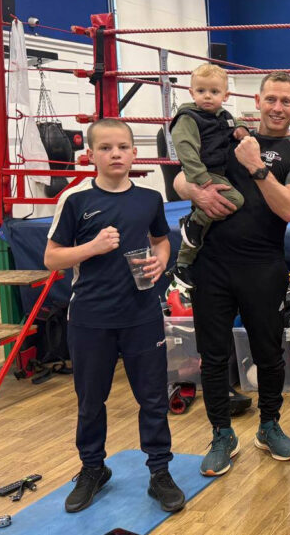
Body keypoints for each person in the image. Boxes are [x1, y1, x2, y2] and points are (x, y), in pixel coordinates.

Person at [173, 71, 290, 476]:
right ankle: (221, 433)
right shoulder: (225, 130)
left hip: (263, 265)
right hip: (212, 263)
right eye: (270, 99)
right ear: (257, 100)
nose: (277, 107)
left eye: (286, 101)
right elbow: (182, 175)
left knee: (269, 354)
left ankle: (269, 425)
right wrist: (196, 191)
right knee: (213, 355)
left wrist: (256, 167)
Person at [44, 118, 185, 514]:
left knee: (153, 398)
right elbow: (52, 258)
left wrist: (160, 263)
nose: (116, 153)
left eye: (122, 146)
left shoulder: (149, 198)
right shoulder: (74, 200)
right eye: (105, 148)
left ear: (134, 152)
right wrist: (92, 246)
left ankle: (159, 471)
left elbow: (161, 241)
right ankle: (92, 468)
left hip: (141, 313)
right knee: (91, 400)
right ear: (90, 155)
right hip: (90, 315)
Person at [167, 63, 249, 292]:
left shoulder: (223, 115)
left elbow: (234, 122)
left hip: (215, 173)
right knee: (235, 200)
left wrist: (241, 128)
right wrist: (202, 180)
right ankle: (191, 223)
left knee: (202, 228)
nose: (207, 97)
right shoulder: (188, 117)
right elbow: (185, 150)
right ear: (192, 92)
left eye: (214, 92)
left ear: (225, 95)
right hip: (206, 174)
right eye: (201, 91)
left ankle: (183, 264)